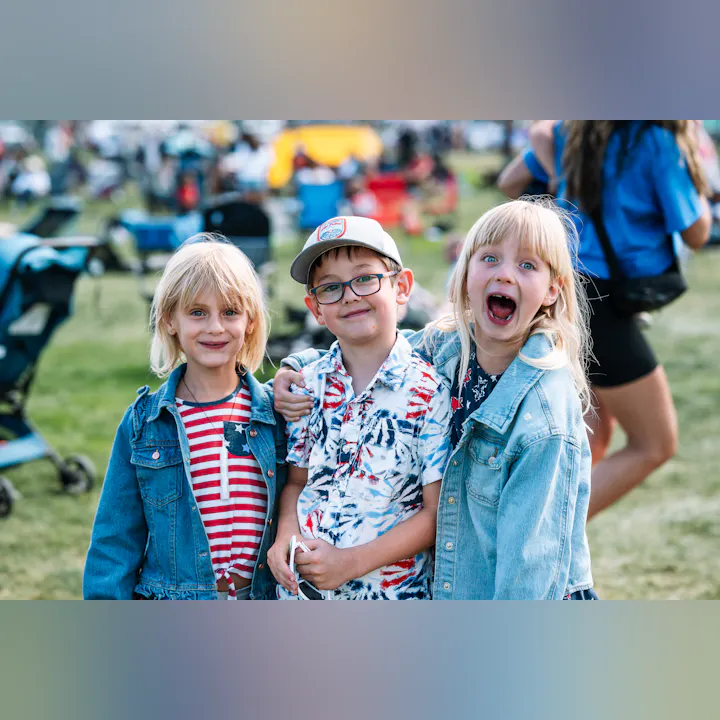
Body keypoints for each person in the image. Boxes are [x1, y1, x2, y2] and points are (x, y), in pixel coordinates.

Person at [274, 200, 596, 600]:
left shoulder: (544, 415)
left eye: (527, 265)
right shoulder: (447, 348)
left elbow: (532, 560)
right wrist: (296, 368)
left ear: (552, 290)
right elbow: (378, 350)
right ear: (464, 276)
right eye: (490, 258)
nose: (506, 275)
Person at [83, 235, 286, 600]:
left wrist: (295, 366)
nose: (214, 327)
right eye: (197, 313)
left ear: (251, 322)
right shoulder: (144, 424)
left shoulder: (276, 414)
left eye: (229, 312)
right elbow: (115, 540)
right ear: (170, 320)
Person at [529, 121, 712, 518]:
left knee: (591, 440)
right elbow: (697, 233)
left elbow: (514, 179)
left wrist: (559, 176)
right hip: (601, 301)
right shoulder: (654, 141)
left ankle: (552, 561)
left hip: (563, 285)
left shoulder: (573, 130)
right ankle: (540, 539)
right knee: (655, 442)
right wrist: (692, 154)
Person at [266, 216, 451, 600]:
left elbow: (435, 514)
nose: (349, 295)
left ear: (401, 288)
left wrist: (351, 561)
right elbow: (298, 482)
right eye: (330, 288)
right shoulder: (308, 386)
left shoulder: (429, 391)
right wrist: (286, 533)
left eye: (365, 278)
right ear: (315, 309)